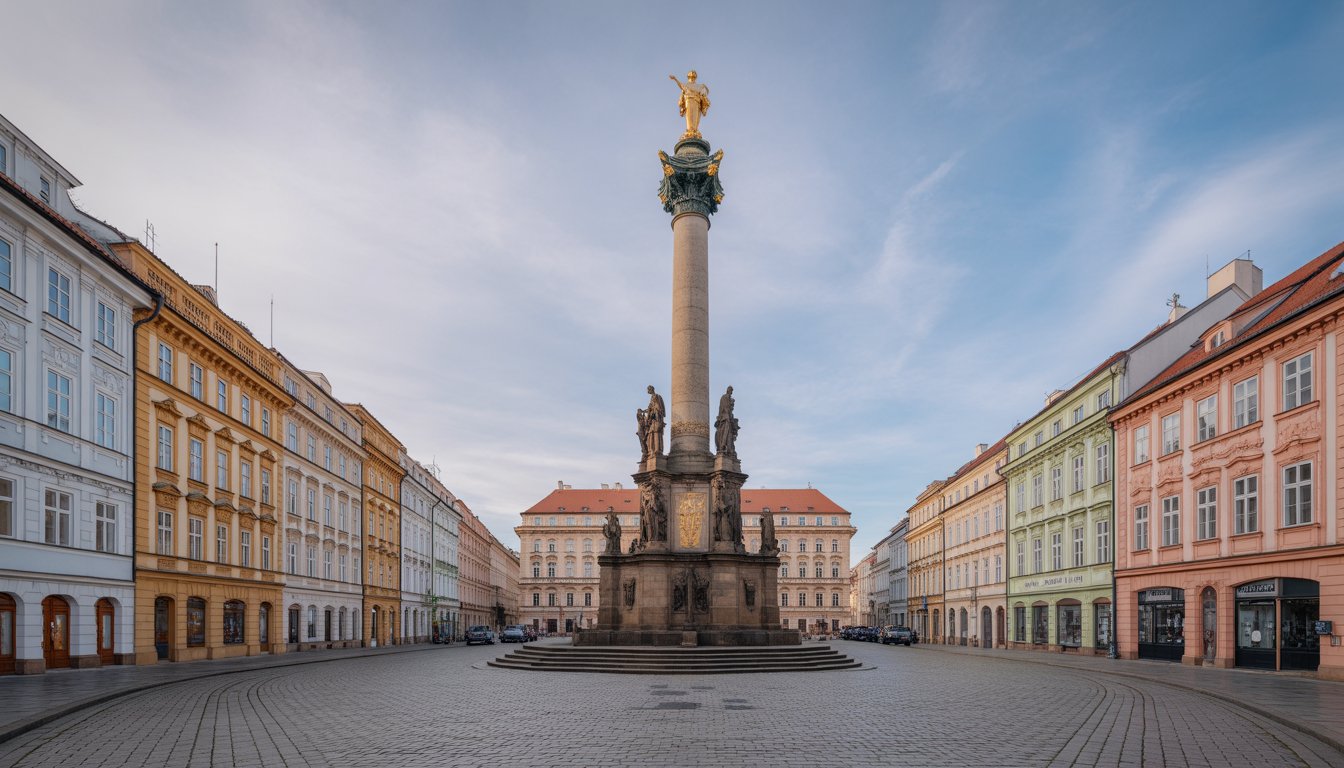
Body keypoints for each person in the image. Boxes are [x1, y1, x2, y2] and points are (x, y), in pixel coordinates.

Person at [669, 70, 711, 137]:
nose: (692, 74)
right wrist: (675, 79)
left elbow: (704, 92)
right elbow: (681, 85)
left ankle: (694, 131)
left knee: (696, 118)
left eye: (694, 74)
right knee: (690, 117)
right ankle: (690, 131)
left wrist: (703, 93)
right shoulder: (686, 85)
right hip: (689, 101)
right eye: (691, 74)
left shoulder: (700, 86)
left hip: (697, 102)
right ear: (688, 76)